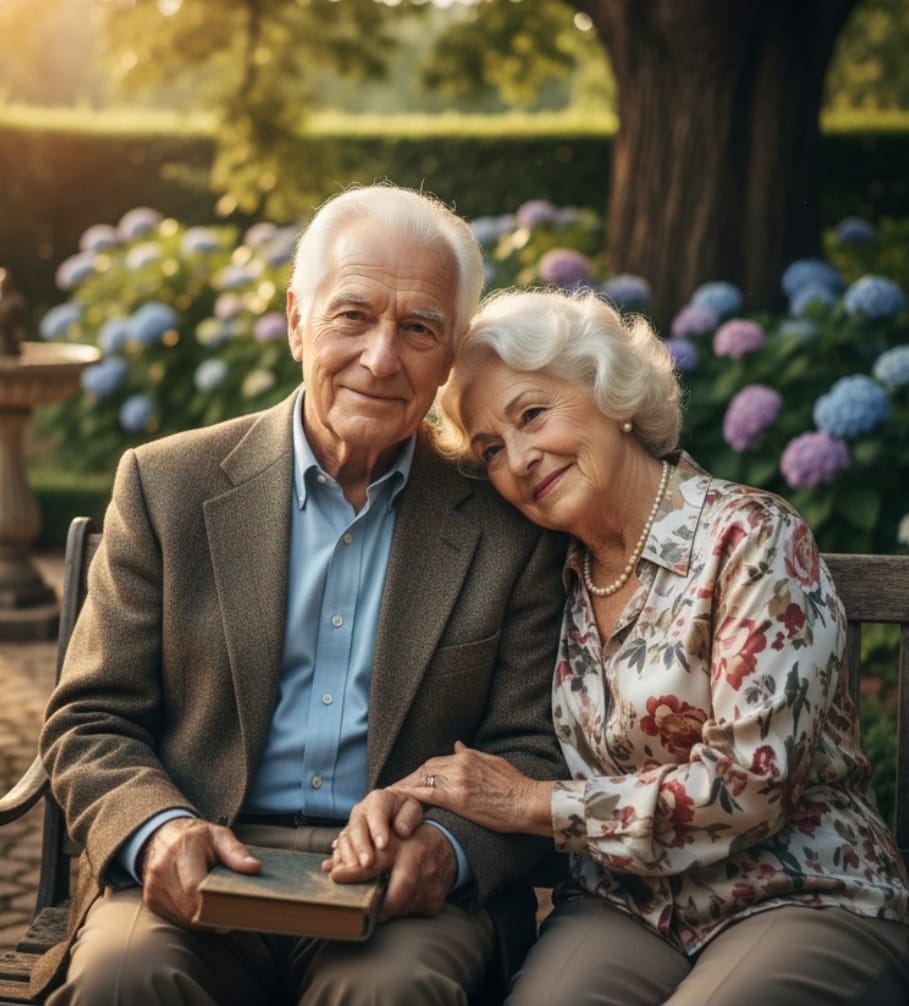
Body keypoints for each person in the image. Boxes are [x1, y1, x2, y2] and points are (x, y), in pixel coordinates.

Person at [35, 186, 568, 1006]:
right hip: (205, 858)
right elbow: (90, 719)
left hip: (399, 890)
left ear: (451, 352)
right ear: (295, 321)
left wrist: (446, 850)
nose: (382, 359)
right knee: (124, 978)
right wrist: (158, 832)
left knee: (391, 995)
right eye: (352, 315)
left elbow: (530, 748)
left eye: (418, 327)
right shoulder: (166, 486)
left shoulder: (507, 523)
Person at [330, 286, 909, 1006]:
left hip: (801, 891)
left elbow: (750, 785)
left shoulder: (748, 538)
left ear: (610, 391)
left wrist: (539, 805)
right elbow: (498, 746)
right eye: (492, 449)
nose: (520, 458)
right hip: (628, 905)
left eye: (531, 415)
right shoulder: (555, 577)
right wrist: (407, 797)